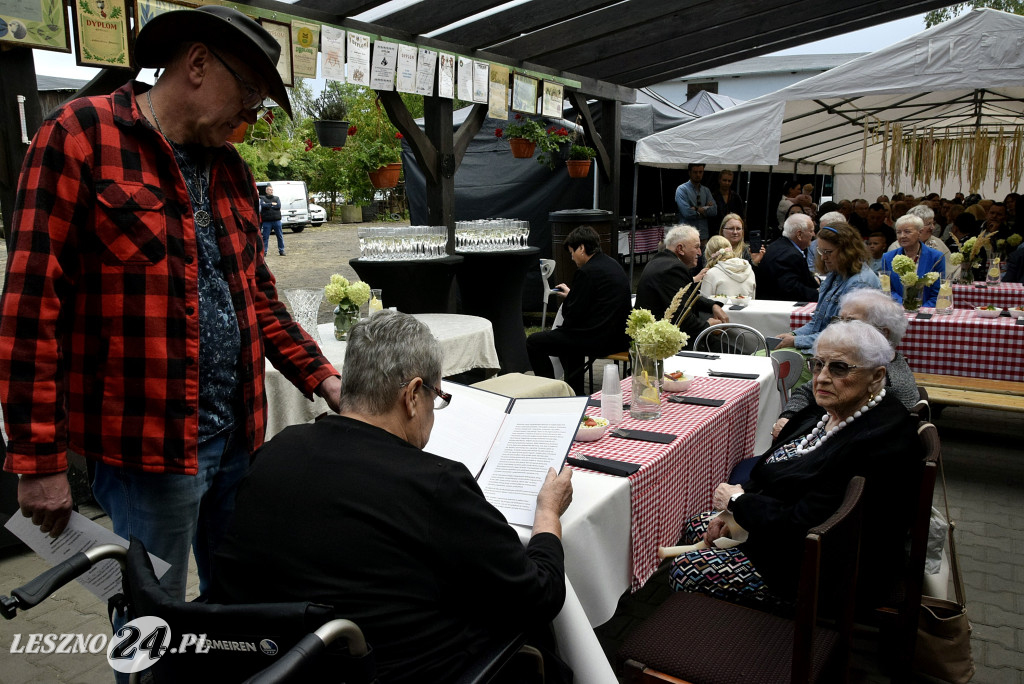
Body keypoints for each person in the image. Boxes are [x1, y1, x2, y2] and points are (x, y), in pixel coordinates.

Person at [0, 6, 342, 600]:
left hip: (240, 438)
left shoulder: (232, 171)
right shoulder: (81, 136)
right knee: (152, 622)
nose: (250, 116)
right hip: (147, 454)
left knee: (241, 609)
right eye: (249, 95)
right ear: (199, 62)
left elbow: (258, 297)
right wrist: (38, 459)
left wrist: (323, 377)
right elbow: (32, 305)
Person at [213, 312, 573, 683]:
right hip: (397, 668)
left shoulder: (276, 451)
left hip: (277, 666)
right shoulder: (434, 484)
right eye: (437, 397)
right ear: (413, 395)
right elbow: (539, 595)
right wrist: (548, 513)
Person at [668, 321, 922, 607]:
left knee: (685, 569)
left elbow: (805, 522)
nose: (821, 378)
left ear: (876, 376)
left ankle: (733, 628)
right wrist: (736, 510)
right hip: (789, 535)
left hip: (821, 568)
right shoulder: (831, 411)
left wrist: (739, 503)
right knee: (697, 525)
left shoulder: (877, 440)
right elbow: (781, 472)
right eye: (818, 365)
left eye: (839, 368)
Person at [771, 289, 919, 441]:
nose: (840, 327)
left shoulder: (883, 383)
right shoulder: (863, 362)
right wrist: (788, 416)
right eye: (839, 320)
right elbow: (805, 391)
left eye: (850, 322)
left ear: (883, 333)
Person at [527, 226, 631, 395]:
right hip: (618, 338)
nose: (572, 257)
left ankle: (549, 392)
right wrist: (573, 295)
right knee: (568, 340)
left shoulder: (587, 272)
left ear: (581, 248)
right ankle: (575, 389)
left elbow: (573, 314)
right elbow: (595, 301)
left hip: (597, 340)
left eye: (572, 252)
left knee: (534, 342)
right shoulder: (612, 264)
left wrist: (570, 299)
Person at [775, 222, 880, 352]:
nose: (823, 257)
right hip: (826, 348)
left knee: (772, 358)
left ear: (847, 251)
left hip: (844, 355)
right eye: (821, 251)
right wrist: (793, 335)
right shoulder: (835, 274)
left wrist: (796, 340)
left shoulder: (860, 283)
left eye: (828, 252)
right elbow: (817, 323)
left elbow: (846, 335)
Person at [635, 225, 729, 346]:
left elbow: (687, 297)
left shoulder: (660, 261)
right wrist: (708, 325)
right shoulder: (673, 268)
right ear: (680, 249)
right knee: (737, 353)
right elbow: (682, 319)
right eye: (696, 247)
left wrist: (713, 306)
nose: (700, 252)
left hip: (661, 340)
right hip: (665, 345)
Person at [881, 215, 946, 308]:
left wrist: (922, 310)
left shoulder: (936, 257)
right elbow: (887, 290)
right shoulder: (888, 257)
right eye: (898, 232)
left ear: (920, 232)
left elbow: (938, 292)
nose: (902, 236)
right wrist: (905, 306)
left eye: (907, 232)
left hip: (927, 310)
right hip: (898, 309)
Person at [756, 214, 820, 301]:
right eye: (811, 231)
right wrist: (819, 295)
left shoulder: (777, 245)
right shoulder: (790, 255)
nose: (813, 234)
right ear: (799, 234)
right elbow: (791, 288)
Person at [889, 205, 951, 274]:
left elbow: (951, 270)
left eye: (933, 223)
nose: (933, 227)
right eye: (929, 224)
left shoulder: (938, 242)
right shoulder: (896, 247)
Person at [700, 235, 756, 301]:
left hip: (721, 308)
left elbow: (704, 304)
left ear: (708, 253)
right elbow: (752, 300)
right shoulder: (748, 270)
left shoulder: (711, 274)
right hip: (746, 307)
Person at [674, 163, 717, 242]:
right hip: (686, 236)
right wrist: (705, 209)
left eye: (700, 172)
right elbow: (687, 213)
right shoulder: (682, 189)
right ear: (689, 172)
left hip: (703, 236)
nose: (698, 175)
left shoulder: (706, 190)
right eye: (695, 172)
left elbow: (714, 211)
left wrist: (696, 209)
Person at [259, 183, 286, 255]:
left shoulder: (277, 198)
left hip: (276, 220)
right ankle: (264, 251)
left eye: (272, 190)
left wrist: (268, 205)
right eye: (269, 190)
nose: (271, 191)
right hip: (267, 221)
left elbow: (278, 206)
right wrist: (271, 204)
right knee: (265, 237)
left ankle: (281, 250)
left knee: (280, 236)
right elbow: (263, 205)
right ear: (266, 191)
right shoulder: (262, 198)